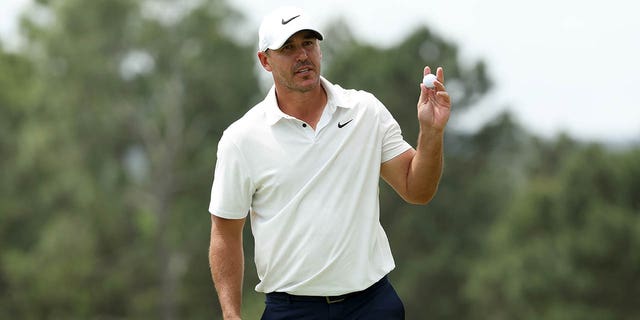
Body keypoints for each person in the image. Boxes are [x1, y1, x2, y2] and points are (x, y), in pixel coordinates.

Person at [208, 6, 451, 320]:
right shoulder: (242, 138)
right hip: (293, 311)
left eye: (309, 43)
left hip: (372, 305)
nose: (302, 56)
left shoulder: (365, 111)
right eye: (288, 48)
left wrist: (431, 132)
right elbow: (225, 233)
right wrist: (231, 314)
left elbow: (417, 190)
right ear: (265, 60)